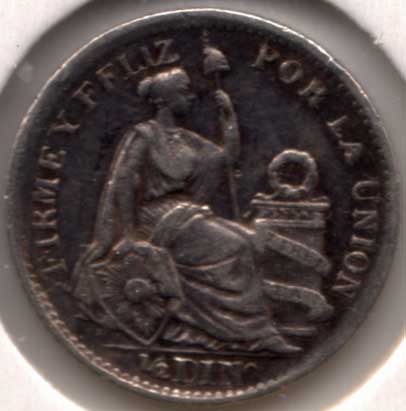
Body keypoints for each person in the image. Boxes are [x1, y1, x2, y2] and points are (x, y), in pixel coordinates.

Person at [72, 67, 300, 353]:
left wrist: (229, 117)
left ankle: (240, 326)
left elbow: (225, 158)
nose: (191, 97)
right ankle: (255, 333)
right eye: (183, 91)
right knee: (236, 246)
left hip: (184, 213)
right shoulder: (143, 135)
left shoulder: (187, 139)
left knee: (252, 240)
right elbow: (124, 184)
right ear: (164, 100)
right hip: (154, 218)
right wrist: (129, 235)